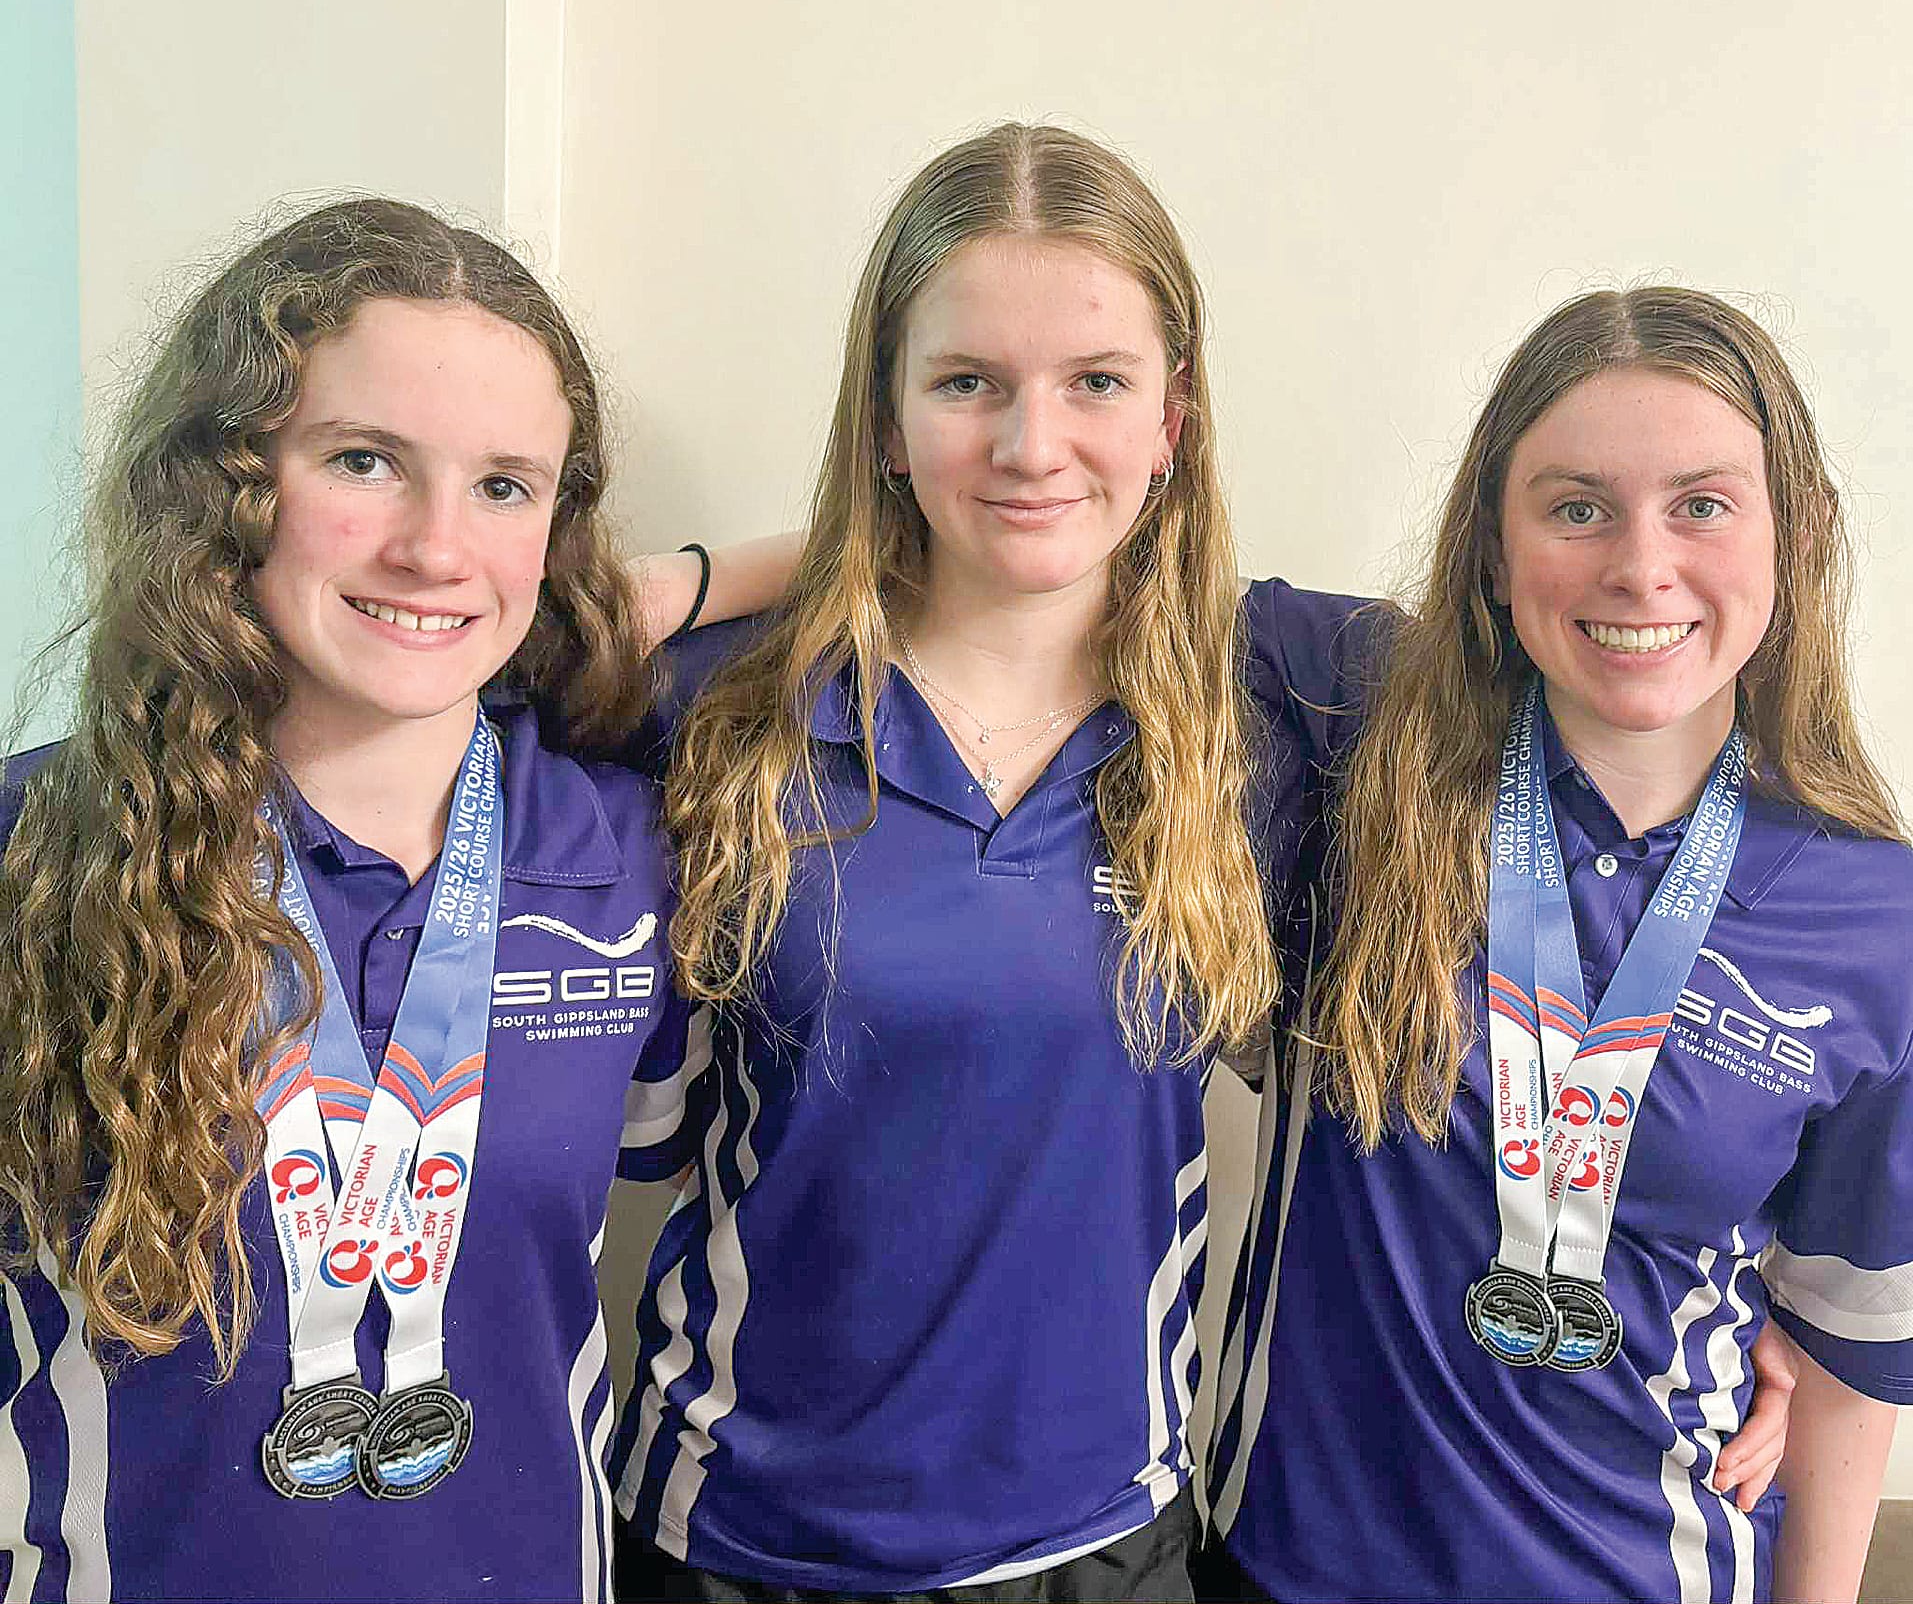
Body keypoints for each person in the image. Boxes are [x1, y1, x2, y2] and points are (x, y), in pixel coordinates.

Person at [0, 198, 772, 1603]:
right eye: (364, 462)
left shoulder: (620, 857)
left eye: (503, 487)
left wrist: (674, 588)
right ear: (229, 483)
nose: (435, 547)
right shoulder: (36, 854)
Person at [609, 122, 1288, 1600]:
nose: (1031, 444)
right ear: (885, 416)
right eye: (967, 382)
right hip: (735, 1540)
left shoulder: (1263, 724)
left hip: (1100, 1541)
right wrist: (696, 584)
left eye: (1095, 382)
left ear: (1172, 419)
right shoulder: (713, 708)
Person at [1203, 287, 1908, 1603]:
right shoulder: (1352, 735)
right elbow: (1058, 552)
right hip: (1291, 1571)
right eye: (1575, 506)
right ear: (1491, 540)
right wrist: (699, 588)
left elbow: (1851, 1358)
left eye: (1701, 503)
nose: (1639, 568)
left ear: (1790, 532)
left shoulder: (1877, 918)